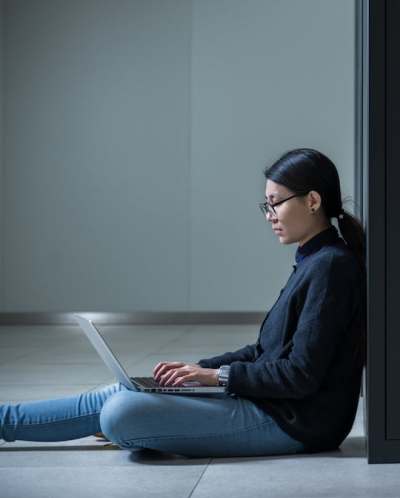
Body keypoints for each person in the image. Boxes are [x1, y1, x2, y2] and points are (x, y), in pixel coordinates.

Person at [0, 148, 367, 457]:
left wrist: (216, 378)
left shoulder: (332, 267)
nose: (269, 216)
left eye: (275, 204)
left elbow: (301, 375)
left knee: (120, 412)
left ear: (313, 201)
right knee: (125, 392)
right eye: (265, 205)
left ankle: (147, 426)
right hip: (271, 405)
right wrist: (195, 373)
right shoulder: (315, 262)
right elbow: (265, 351)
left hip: (297, 422)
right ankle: (5, 421)